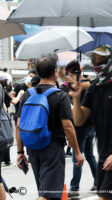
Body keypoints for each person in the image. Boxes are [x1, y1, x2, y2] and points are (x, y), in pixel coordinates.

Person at [71, 45, 112, 200]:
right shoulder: (94, 88)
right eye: (94, 59)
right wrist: (76, 96)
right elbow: (79, 121)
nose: (96, 62)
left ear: (110, 60)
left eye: (100, 58)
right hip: (102, 155)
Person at [15, 55, 84, 200]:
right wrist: (77, 152)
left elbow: (18, 125)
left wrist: (20, 151)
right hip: (52, 149)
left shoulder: (28, 94)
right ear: (54, 72)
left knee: (44, 191)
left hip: (33, 148)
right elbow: (68, 127)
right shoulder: (60, 96)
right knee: (49, 195)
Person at [60, 61, 98, 198]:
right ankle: (98, 182)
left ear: (70, 73)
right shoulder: (87, 84)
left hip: (81, 125)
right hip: (91, 125)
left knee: (78, 156)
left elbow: (68, 92)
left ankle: (75, 187)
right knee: (89, 155)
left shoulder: (80, 86)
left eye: (68, 73)